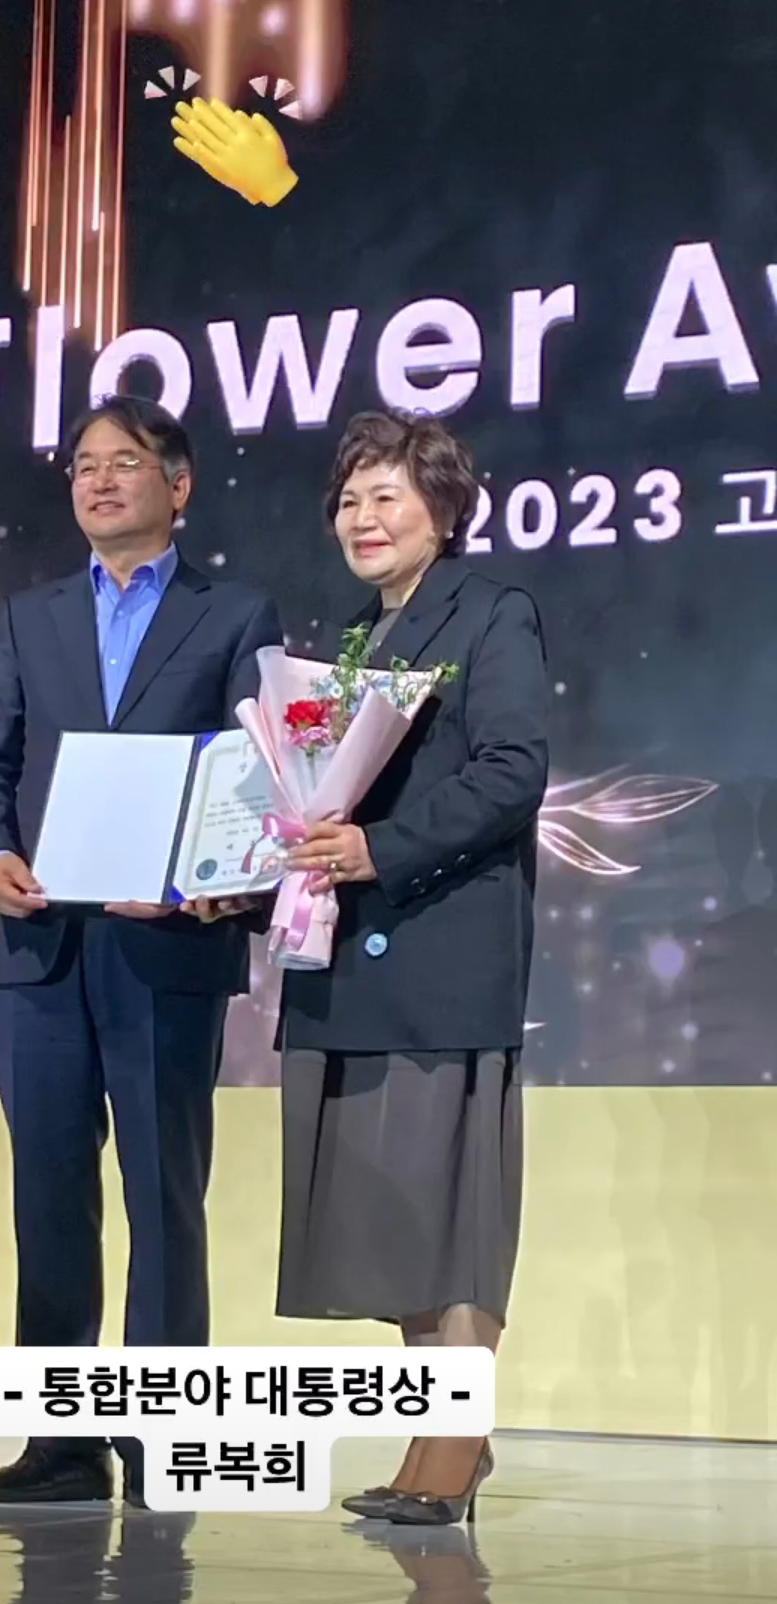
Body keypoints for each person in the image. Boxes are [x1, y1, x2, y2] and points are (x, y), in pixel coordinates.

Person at [0, 395, 282, 1506]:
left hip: (165, 948)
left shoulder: (234, 614)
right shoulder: (32, 616)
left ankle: (162, 1444)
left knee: (163, 1196)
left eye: (123, 462)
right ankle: (60, 1446)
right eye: (84, 464)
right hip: (41, 947)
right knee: (48, 1193)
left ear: (177, 486)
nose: (96, 479)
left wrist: (209, 886)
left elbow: (260, 772)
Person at [280, 410, 549, 1525]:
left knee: (453, 1211)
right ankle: (436, 1436)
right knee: (396, 1215)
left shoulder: (490, 610)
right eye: (349, 499)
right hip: (352, 962)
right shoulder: (349, 642)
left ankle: (457, 1440)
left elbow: (513, 769)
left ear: (443, 508)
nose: (362, 516)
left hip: (443, 954)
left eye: (386, 495)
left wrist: (378, 849)